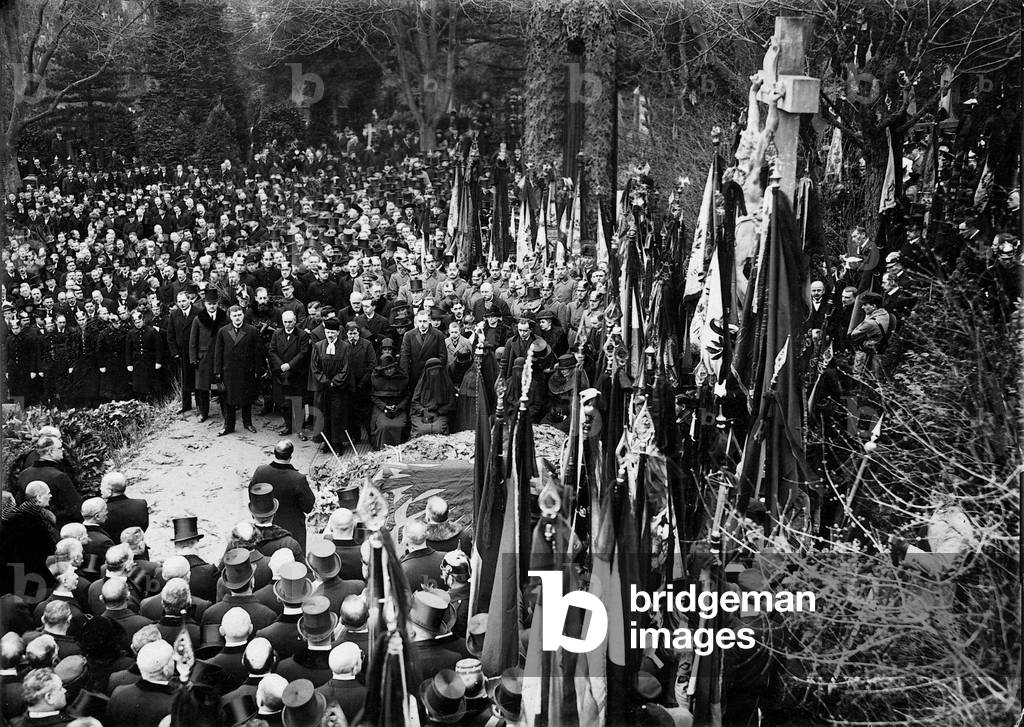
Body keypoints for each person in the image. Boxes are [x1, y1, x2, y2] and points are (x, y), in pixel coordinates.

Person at [248, 441, 315, 550]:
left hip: (264, 524)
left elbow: (252, 494)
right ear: (291, 456)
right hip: (292, 528)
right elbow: (308, 506)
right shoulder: (298, 479)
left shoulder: (260, 471)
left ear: (274, 453)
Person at [213, 304, 266, 435]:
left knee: (246, 399)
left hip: (246, 371)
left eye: (239, 315)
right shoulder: (223, 331)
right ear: (230, 317)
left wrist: (258, 370)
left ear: (243, 315)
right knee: (229, 400)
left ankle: (247, 423)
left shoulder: (252, 331)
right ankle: (228, 426)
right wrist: (217, 372)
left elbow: (258, 352)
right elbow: (218, 353)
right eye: (234, 315)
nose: (237, 318)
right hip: (229, 372)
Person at [16, 436, 81, 528]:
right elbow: (75, 509)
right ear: (51, 452)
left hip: (28, 528)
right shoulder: (59, 477)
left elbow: (19, 505)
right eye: (59, 448)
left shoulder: (23, 475)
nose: (62, 450)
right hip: (56, 530)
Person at [309, 318, 349, 454]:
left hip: (338, 389)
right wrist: (326, 381)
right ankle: (326, 443)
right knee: (323, 414)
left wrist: (335, 382)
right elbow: (314, 368)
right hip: (323, 388)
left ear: (338, 332)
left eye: (332, 332)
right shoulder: (318, 346)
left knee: (337, 415)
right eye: (327, 332)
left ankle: (337, 443)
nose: (330, 335)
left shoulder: (345, 347)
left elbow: (346, 368)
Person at [189, 288, 228, 422]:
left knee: (222, 386)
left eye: (214, 303)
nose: (212, 306)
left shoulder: (224, 317)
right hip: (204, 358)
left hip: (220, 357)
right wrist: (193, 359)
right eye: (209, 304)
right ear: (205, 304)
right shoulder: (198, 319)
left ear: (218, 303)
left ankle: (226, 413)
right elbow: (193, 341)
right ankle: (203, 413)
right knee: (203, 388)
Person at [267, 310, 308, 436]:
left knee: (298, 403)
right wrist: (281, 365)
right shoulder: (276, 333)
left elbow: (303, 353)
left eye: (290, 322)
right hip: (281, 374)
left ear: (295, 321)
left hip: (296, 374)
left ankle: (300, 430)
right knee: (285, 404)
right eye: (285, 322)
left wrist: (290, 365)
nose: (288, 324)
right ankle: (288, 427)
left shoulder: (302, 335)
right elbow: (272, 351)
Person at [400, 309, 447, 392]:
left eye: (424, 321)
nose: (422, 324)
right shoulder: (408, 335)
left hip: (432, 374)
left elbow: (443, 356)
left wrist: (435, 371)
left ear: (429, 321)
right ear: (417, 322)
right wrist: (405, 376)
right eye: (420, 321)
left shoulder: (438, 334)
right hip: (415, 374)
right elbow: (405, 357)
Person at [167, 290, 198, 413]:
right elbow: (170, 335)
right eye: (179, 301)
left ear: (189, 299)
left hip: (195, 351)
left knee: (197, 378)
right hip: (181, 353)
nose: (182, 304)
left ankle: (201, 406)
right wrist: (174, 352)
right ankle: (186, 405)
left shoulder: (198, 312)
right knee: (184, 379)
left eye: (184, 300)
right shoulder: (174, 314)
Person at [369, 353, 409, 449]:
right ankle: (383, 448)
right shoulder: (376, 379)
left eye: (391, 368)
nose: (389, 371)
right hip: (381, 408)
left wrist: (399, 406)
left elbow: (407, 396)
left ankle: (400, 449)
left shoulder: (402, 378)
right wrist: (384, 406)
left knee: (399, 425)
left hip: (398, 407)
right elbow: (373, 397)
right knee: (384, 426)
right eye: (386, 369)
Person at [409, 358, 456, 438]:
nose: (434, 373)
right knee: (421, 430)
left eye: (436, 370)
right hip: (421, 414)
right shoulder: (422, 383)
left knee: (438, 430)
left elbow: (451, 403)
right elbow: (415, 402)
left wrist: (438, 412)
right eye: (431, 371)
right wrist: (423, 411)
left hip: (440, 414)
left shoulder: (447, 384)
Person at [124, 310, 163, 402]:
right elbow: (128, 350)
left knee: (151, 383)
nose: (138, 324)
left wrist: (158, 361)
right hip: (137, 362)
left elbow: (159, 348)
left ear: (143, 320)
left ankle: (153, 402)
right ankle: (141, 401)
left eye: (139, 322)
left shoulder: (152, 331)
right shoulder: (131, 333)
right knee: (139, 384)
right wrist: (129, 364)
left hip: (150, 361)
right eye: (135, 322)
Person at [99, 472, 149, 544]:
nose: (100, 489)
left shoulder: (103, 511)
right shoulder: (141, 504)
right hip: (138, 547)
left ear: (109, 491)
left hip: (115, 551)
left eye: (102, 486)